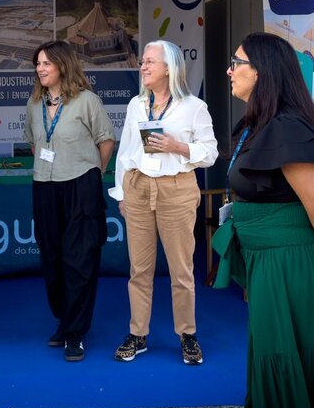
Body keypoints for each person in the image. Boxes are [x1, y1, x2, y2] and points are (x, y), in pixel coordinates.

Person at [211, 31, 314, 408]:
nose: (229, 70)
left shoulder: (286, 127)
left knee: (288, 355)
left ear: (262, 71)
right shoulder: (261, 123)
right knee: (275, 354)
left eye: (237, 62)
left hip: (291, 261)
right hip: (269, 259)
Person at [109, 40, 218, 365]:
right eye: (142, 61)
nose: (142, 66)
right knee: (139, 269)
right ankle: (138, 333)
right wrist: (122, 194)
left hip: (176, 189)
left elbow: (211, 153)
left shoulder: (194, 107)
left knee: (181, 270)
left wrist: (177, 147)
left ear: (169, 68)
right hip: (138, 188)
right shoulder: (136, 105)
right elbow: (125, 152)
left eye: (149, 62)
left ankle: (187, 334)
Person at [23, 40, 115, 362]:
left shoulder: (87, 101)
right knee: (52, 259)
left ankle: (75, 333)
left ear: (63, 65)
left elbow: (106, 141)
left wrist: (93, 172)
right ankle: (64, 320)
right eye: (38, 64)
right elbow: (35, 144)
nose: (40, 69)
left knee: (80, 260)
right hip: (45, 186)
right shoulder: (34, 103)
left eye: (46, 63)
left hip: (81, 185)